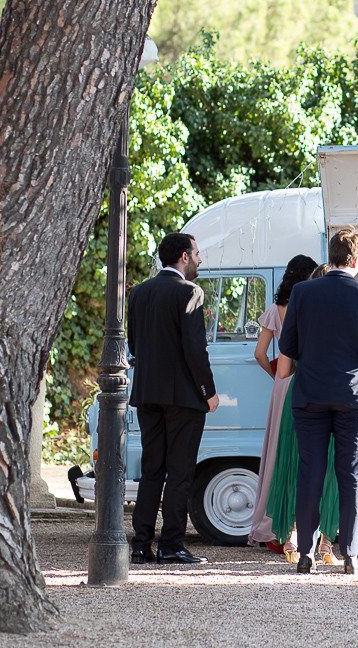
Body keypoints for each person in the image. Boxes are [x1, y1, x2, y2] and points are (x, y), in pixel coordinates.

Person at [279, 226, 358, 575]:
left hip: (309, 393)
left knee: (310, 473)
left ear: (331, 257)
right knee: (351, 476)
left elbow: (287, 348)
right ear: (356, 260)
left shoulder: (301, 292)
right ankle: (351, 555)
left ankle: (306, 555)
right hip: (354, 396)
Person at [127, 232, 219, 566]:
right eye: (197, 253)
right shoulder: (190, 292)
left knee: (152, 471)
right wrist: (208, 392)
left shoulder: (139, 292)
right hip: (183, 398)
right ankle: (171, 545)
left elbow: (134, 345)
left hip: (147, 393)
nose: (199, 259)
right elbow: (195, 349)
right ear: (183, 256)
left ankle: (140, 545)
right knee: (180, 473)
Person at [247, 254, 317, 553]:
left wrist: (276, 374)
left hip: (283, 382)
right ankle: (302, 528)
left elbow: (260, 353)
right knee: (304, 454)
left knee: (277, 452)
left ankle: (272, 525)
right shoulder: (313, 306)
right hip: (309, 380)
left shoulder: (275, 309)